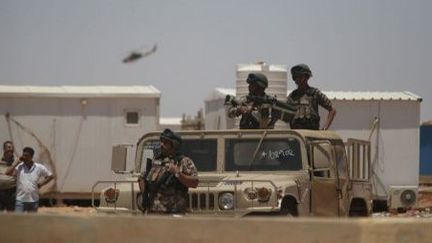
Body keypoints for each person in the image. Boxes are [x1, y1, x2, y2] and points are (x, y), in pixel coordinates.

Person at [138, 129, 198, 214]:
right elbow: (142, 178)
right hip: (153, 212)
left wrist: (177, 173)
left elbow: (194, 183)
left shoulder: (183, 161)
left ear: (174, 145)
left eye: (166, 143)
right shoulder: (156, 160)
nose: (162, 145)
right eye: (161, 142)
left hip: (174, 213)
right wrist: (145, 195)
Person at [287, 64, 336, 130]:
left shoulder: (314, 93)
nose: (297, 79)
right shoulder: (292, 96)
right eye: (295, 77)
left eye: (300, 76)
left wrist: (325, 128)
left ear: (306, 77)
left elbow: (332, 109)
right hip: (297, 136)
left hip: (312, 135)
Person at [5, 147, 54, 213]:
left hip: (33, 200)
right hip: (20, 200)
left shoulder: (39, 167)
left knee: (32, 222)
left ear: (31, 157)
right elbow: (7, 173)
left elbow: (50, 176)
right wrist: (15, 163)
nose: (24, 157)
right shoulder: (19, 167)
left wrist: (41, 184)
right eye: (23, 155)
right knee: (18, 221)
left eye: (26, 156)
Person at [0, 141, 17, 211]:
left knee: (11, 214)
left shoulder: (17, 161)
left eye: (12, 147)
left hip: (12, 192)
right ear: (4, 149)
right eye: (9, 147)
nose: (11, 149)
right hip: (0, 191)